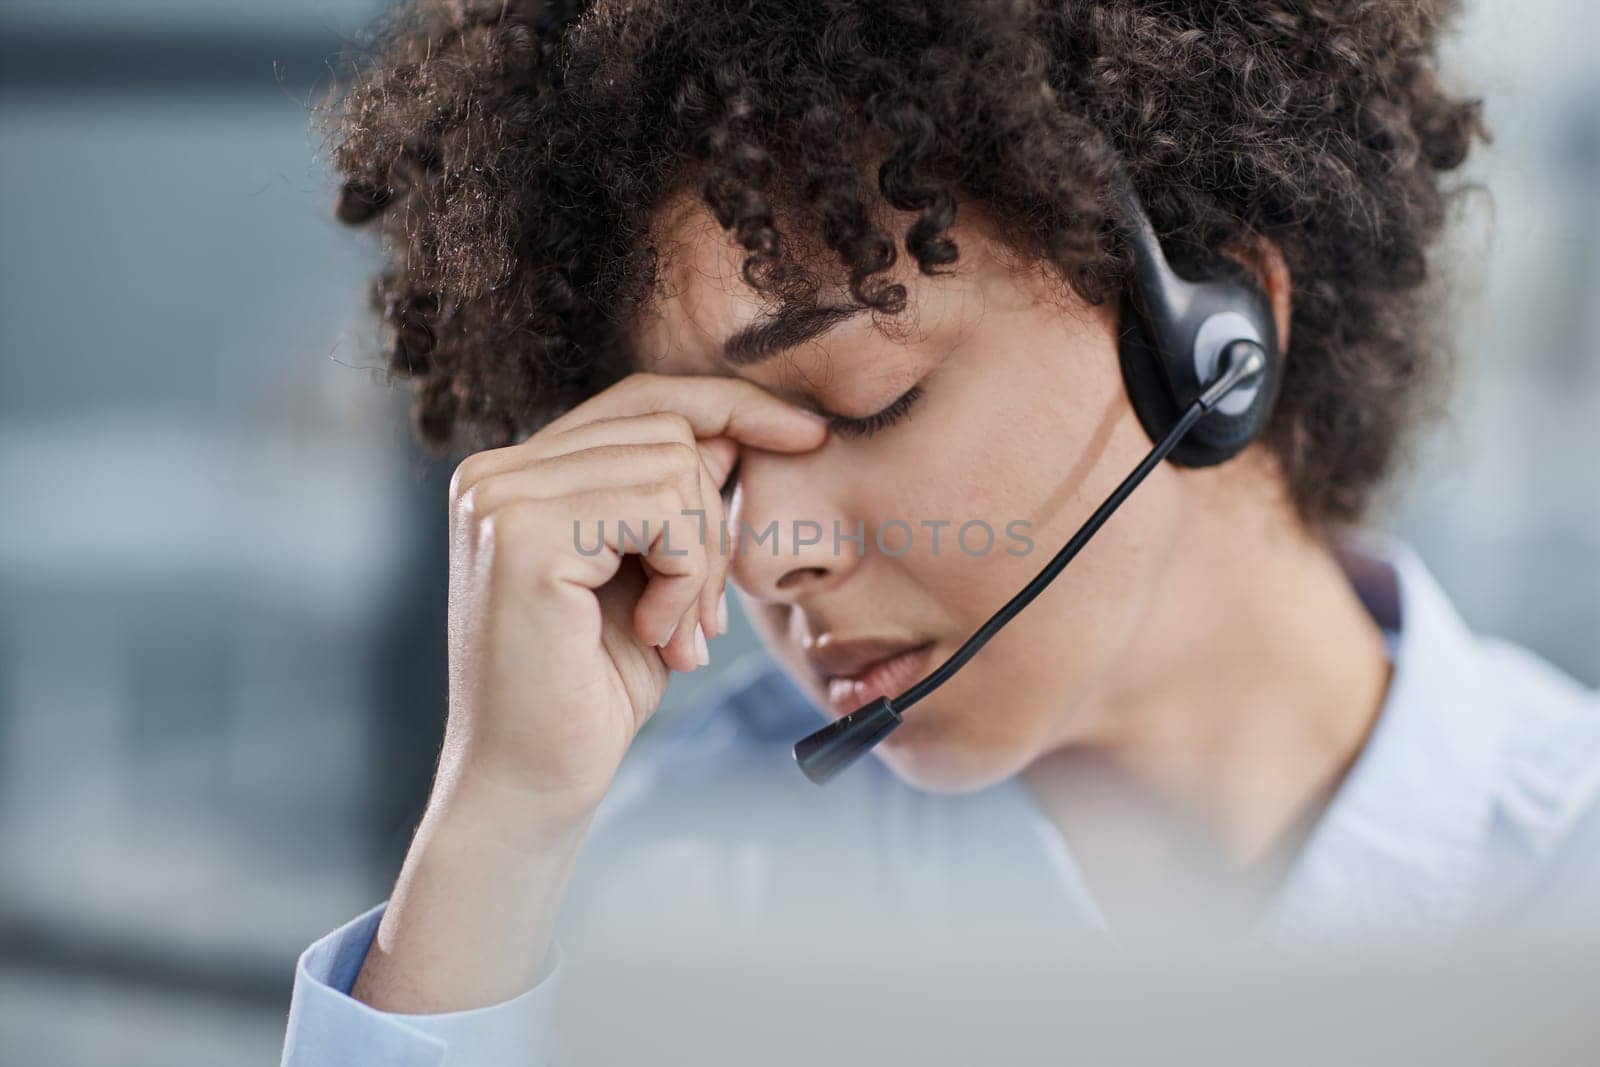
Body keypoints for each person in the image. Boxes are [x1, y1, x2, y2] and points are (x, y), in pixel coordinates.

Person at [282, 0, 1600, 1062]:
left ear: (1213, 340)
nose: (759, 554)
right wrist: (493, 835)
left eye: (869, 400)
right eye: (715, 462)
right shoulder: (680, 890)